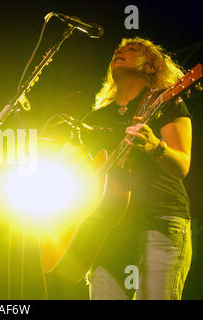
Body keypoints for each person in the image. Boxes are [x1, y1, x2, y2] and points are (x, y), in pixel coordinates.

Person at [81, 37, 192, 300]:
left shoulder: (166, 101)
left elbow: (182, 165)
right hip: (109, 229)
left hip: (160, 219)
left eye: (131, 50)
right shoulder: (95, 119)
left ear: (151, 66)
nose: (119, 52)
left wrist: (155, 147)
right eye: (117, 50)